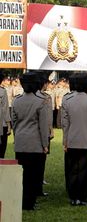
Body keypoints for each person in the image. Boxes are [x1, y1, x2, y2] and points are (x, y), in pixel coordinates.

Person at [12, 72, 50, 210]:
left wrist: (18, 136)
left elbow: (14, 122)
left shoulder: (16, 100)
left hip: (21, 141)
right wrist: (45, 145)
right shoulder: (41, 101)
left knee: (23, 175)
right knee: (33, 176)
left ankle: (22, 201)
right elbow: (43, 126)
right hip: (35, 143)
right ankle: (30, 203)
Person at [62, 72, 87, 206]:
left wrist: (65, 142)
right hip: (86, 141)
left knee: (72, 170)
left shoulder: (67, 100)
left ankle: (73, 197)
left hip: (71, 139)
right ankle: (81, 198)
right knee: (84, 172)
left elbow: (65, 124)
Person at [0, 71, 11, 158]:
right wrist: (8, 125)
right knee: (1, 149)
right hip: (2, 124)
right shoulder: (3, 91)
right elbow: (5, 109)